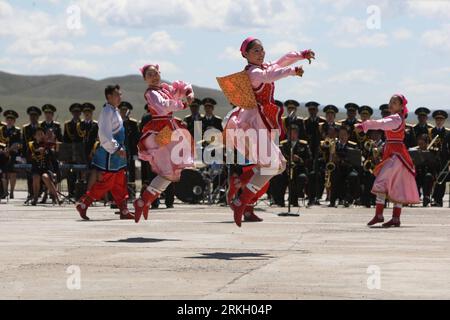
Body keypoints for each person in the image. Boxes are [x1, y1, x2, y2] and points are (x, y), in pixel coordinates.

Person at [224, 37, 315, 227]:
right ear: (246, 55)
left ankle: (240, 187)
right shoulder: (254, 72)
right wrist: (291, 71)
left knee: (279, 165)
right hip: (252, 121)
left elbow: (281, 61)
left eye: (261, 49)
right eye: (255, 51)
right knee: (273, 166)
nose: (261, 53)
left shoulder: (263, 67)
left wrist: (300, 55)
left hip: (259, 121)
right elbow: (269, 76)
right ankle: (242, 201)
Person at [133, 64, 195, 223]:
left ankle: (144, 201)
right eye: (149, 75)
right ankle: (144, 201)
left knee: (172, 172)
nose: (154, 76)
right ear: (145, 79)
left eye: (155, 73)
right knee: (169, 170)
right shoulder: (152, 93)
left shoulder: (165, 89)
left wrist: (188, 92)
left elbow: (181, 87)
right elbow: (162, 106)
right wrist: (183, 104)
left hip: (169, 129)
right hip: (161, 132)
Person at [356, 94, 420, 227]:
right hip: (395, 152)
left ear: (401, 106)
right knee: (397, 185)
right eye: (390, 101)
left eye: (395, 102)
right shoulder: (396, 118)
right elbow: (383, 123)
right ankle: (395, 218)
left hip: (395, 154)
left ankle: (379, 215)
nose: (391, 104)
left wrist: (365, 125)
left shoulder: (396, 118)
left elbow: (381, 124)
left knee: (381, 182)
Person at [76, 85, 134, 221]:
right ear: (109, 97)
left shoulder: (115, 111)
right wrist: (116, 148)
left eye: (120, 94)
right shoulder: (107, 112)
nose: (120, 97)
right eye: (117, 95)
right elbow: (104, 135)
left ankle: (124, 210)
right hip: (110, 154)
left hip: (117, 154)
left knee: (119, 181)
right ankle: (84, 204)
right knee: (107, 183)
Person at [28, 127, 61, 206]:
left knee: (45, 177)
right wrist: (37, 151)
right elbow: (28, 157)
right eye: (38, 134)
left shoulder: (47, 145)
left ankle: (57, 197)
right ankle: (35, 198)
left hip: (45, 169)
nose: (40, 135)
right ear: (35, 136)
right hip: (36, 169)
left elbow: (53, 159)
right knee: (36, 177)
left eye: (42, 134)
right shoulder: (31, 145)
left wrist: (49, 150)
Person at [429, 110, 450, 207]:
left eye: (441, 119)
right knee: (433, 178)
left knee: (442, 180)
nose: (439, 121)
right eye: (437, 119)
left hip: (444, 159)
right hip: (432, 159)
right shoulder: (431, 131)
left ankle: (439, 200)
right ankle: (433, 198)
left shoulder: (447, 132)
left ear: (444, 120)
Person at [0, 110, 22, 199]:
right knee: (4, 173)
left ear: (14, 121)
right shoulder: (1, 129)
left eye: (11, 119)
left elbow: (19, 144)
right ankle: (5, 191)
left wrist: (10, 149)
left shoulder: (17, 130)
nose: (9, 120)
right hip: (2, 153)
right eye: (8, 119)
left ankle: (12, 191)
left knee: (12, 173)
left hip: (13, 154)